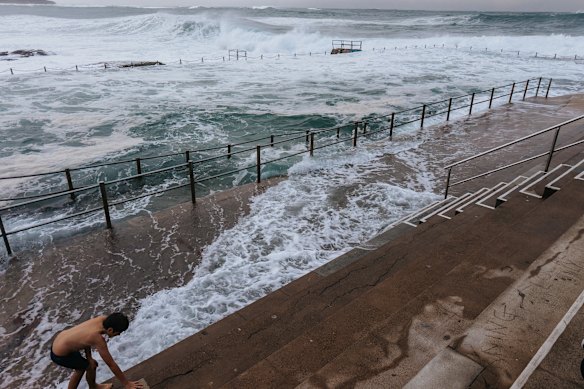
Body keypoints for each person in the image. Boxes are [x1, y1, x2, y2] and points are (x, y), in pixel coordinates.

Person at [51, 312, 143, 389]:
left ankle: (93, 387)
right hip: (60, 354)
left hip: (61, 342)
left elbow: (85, 338)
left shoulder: (102, 319)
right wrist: (126, 383)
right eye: (118, 332)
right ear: (110, 330)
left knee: (91, 365)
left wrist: (89, 357)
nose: (118, 335)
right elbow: (111, 364)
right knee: (82, 369)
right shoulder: (97, 338)